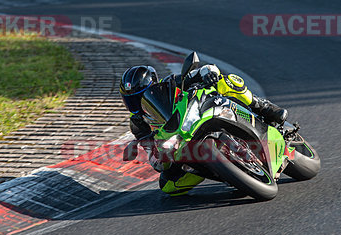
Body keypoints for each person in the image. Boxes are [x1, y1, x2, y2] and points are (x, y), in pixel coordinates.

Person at [119, 63, 288, 196]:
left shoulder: (170, 84)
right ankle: (221, 171)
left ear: (153, 85)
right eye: (131, 100)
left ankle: (262, 106)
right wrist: (160, 158)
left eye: (140, 96)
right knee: (168, 186)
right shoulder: (138, 123)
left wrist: (208, 72)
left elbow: (198, 72)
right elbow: (151, 154)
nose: (137, 103)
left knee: (225, 80)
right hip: (180, 145)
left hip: (200, 115)